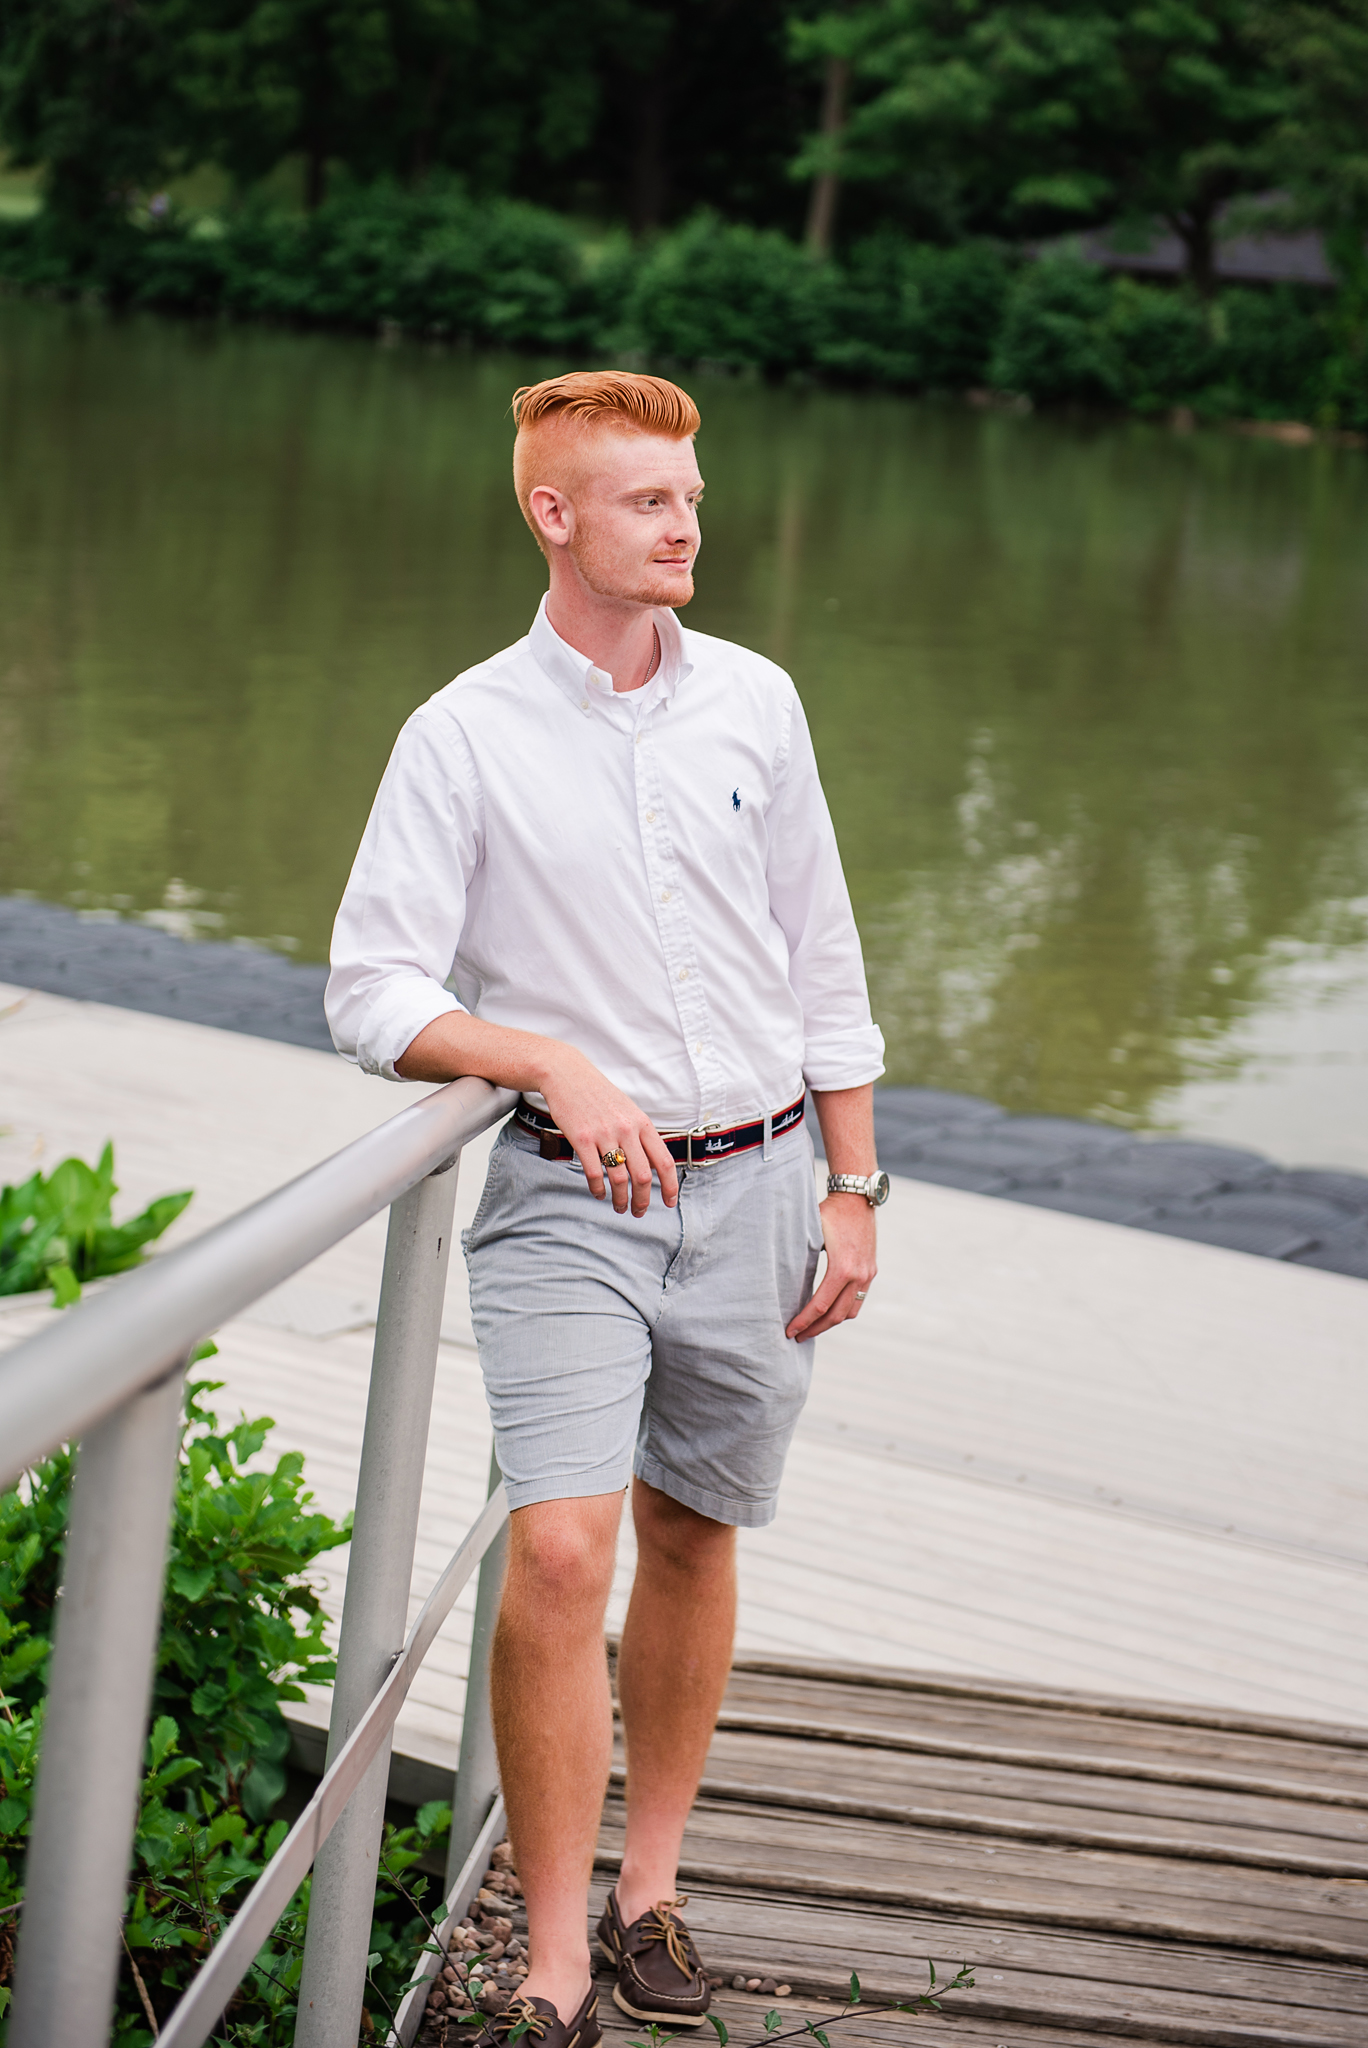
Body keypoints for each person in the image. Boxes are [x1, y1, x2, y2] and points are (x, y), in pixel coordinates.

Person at [326, 369, 888, 2048]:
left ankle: (653, 1894)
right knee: (563, 1548)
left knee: (693, 1534)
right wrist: (545, 1060)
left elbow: (826, 958)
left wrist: (853, 1188)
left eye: (692, 498)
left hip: (769, 1179)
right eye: (650, 501)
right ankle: (554, 1954)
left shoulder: (761, 706)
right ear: (551, 513)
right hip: (570, 1200)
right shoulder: (464, 734)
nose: (688, 523)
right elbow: (371, 989)